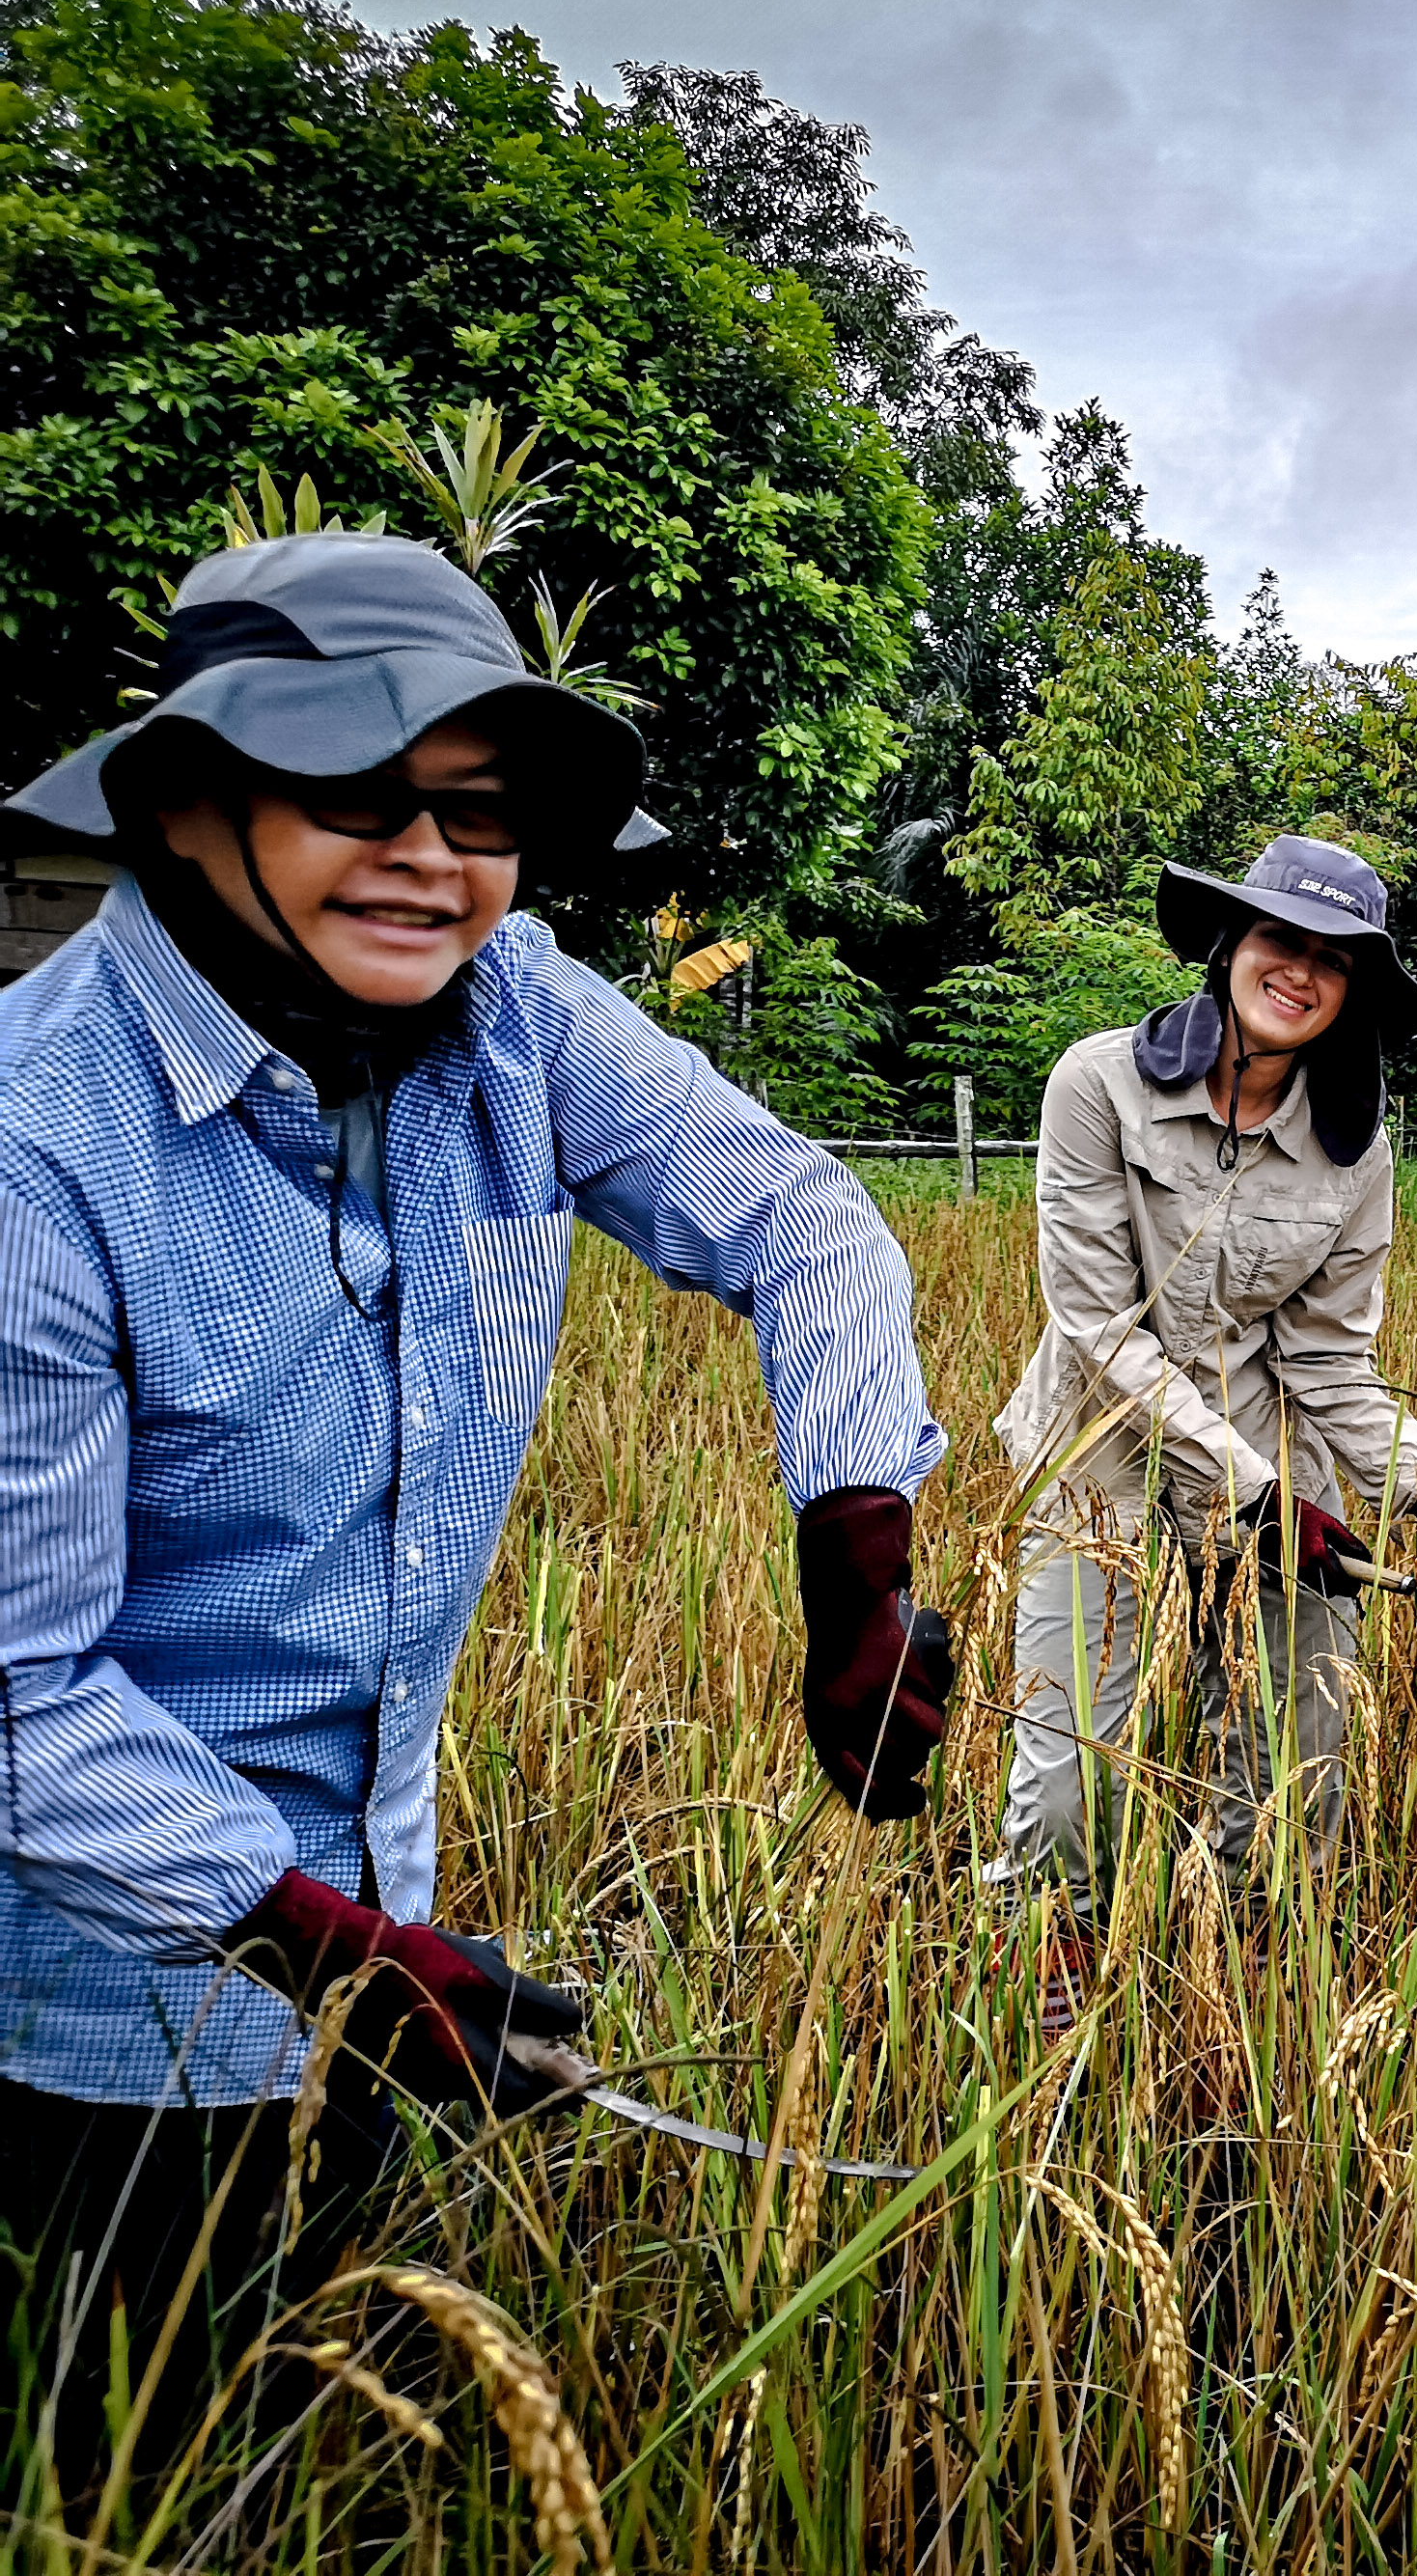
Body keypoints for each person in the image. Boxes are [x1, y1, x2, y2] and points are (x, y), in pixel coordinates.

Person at [0, 534, 953, 2470]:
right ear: (189, 799)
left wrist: (855, 1541)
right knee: (110, 2466)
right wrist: (318, 1944)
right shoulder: (37, 1148)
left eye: (484, 813)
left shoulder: (509, 1006)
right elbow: (21, 1706)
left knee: (288, 2445)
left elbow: (799, 1215)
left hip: (375, 1948)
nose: (433, 860)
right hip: (89, 2017)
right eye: (359, 795)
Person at [986, 836, 1417, 1989]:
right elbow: (1097, 1330)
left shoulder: (1358, 1151)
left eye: (1335, 961)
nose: (1301, 971)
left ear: (1352, 998)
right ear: (1234, 943)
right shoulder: (1097, 1084)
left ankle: (1234, 1974)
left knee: (1302, 1746)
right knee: (1070, 1758)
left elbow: (1333, 1355)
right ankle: (1051, 1974)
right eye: (1283, 939)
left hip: (1272, 1456)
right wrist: (1250, 1487)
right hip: (1103, 1453)